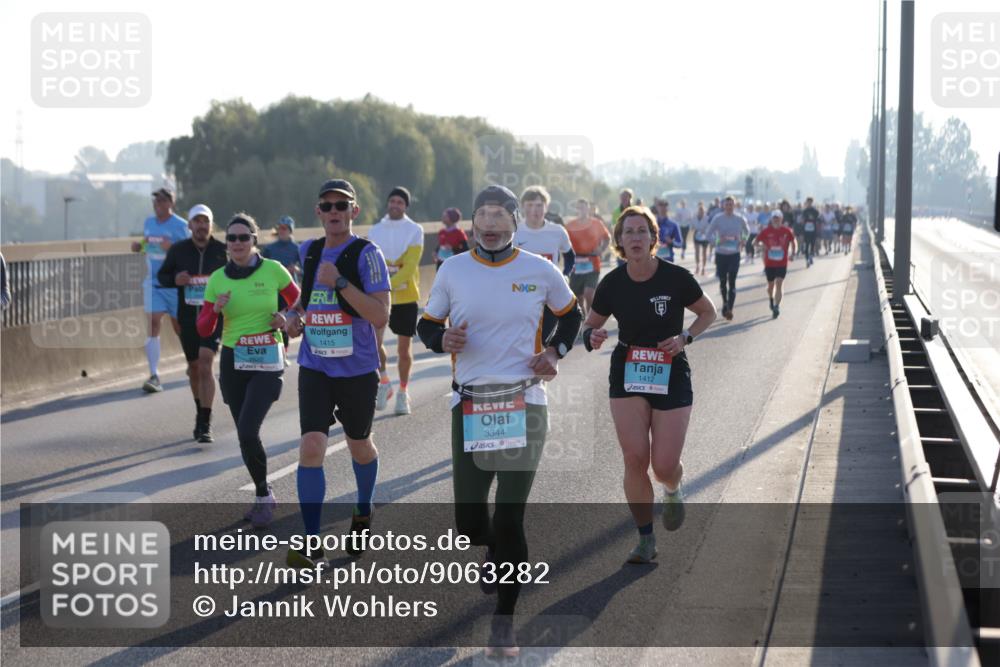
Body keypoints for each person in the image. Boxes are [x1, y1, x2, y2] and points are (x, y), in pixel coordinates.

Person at [417, 185, 582, 657]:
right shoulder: (453, 269)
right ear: (472, 223)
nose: (490, 224)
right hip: (469, 405)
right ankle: (496, 550)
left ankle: (504, 623)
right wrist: (440, 339)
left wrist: (555, 351)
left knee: (509, 516)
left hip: (524, 402)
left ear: (514, 222)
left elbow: (571, 316)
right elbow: (427, 324)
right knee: (469, 525)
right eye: (482, 215)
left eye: (499, 215)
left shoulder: (539, 269)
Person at [582, 206, 716, 564]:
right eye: (629, 232)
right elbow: (589, 325)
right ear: (620, 241)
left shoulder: (675, 277)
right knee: (634, 458)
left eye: (643, 231)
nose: (636, 238)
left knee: (664, 465)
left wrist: (685, 337)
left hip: (670, 370)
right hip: (628, 370)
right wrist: (591, 336)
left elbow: (708, 312)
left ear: (654, 238)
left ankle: (672, 489)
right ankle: (645, 539)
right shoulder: (612, 283)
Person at [283, 179, 392, 566]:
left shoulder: (367, 254)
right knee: (311, 446)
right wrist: (293, 318)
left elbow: (381, 314)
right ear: (318, 212)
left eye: (341, 206)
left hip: (357, 369)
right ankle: (312, 542)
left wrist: (341, 282)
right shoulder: (308, 250)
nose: (333, 212)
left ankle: (363, 507)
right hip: (315, 364)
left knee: (359, 444)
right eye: (326, 205)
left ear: (353, 212)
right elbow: (307, 298)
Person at [197, 213, 299, 527]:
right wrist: (215, 309)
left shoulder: (273, 270)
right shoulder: (218, 279)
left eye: (244, 237)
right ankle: (262, 492)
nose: (238, 243)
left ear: (254, 240)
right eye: (232, 238)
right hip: (233, 360)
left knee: (247, 430)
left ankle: (264, 498)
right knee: (245, 435)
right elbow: (203, 329)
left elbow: (298, 300)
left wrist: (285, 316)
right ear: (226, 244)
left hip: (268, 358)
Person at [157, 204, 228, 442]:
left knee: (206, 363)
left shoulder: (222, 250)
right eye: (197, 221)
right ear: (189, 225)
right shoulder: (178, 251)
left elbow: (236, 274)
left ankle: (205, 422)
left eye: (205, 221)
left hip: (213, 316)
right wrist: (175, 279)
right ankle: (200, 411)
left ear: (211, 224)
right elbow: (163, 276)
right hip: (188, 317)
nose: (201, 226)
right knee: (194, 367)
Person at [367, 186, 424, 415]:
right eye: (392, 201)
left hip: (406, 296)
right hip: (379, 298)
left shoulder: (415, 230)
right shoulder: (375, 230)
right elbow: (370, 262)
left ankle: (403, 392)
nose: (395, 205)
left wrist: (387, 284)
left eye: (400, 202)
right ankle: (384, 382)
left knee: (403, 348)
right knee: (373, 343)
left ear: (406, 206)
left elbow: (410, 266)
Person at [131, 188, 190, 393]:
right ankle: (154, 375)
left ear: (170, 203)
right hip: (153, 283)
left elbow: (189, 252)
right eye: (155, 201)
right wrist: (139, 246)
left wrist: (171, 247)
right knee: (153, 322)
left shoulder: (181, 226)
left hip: (174, 285)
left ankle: (192, 362)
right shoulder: (149, 223)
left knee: (179, 327)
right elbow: (148, 244)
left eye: (161, 200)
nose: (157, 204)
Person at [514, 185, 575, 344]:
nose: (535, 210)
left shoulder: (557, 231)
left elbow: (570, 256)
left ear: (546, 207)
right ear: (522, 207)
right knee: (522, 342)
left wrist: (565, 275)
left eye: (539, 205)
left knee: (541, 342)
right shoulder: (514, 232)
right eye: (530, 205)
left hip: (549, 295)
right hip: (521, 295)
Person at [262, 216, 302, 362]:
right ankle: (274, 350)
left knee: (286, 322)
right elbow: (261, 267)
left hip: (289, 292)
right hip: (273, 291)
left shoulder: (297, 248)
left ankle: (283, 353)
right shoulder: (269, 249)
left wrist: (296, 270)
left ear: (290, 230)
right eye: (280, 228)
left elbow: (304, 270)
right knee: (274, 322)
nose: (282, 231)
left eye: (285, 228)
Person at [705, 196, 749, 321]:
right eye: (727, 204)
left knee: (732, 281)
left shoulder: (740, 218)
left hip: (734, 254)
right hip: (721, 255)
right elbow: (708, 234)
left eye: (731, 204)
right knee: (723, 281)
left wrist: (743, 241)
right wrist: (718, 241)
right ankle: (725, 302)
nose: (729, 207)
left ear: (734, 206)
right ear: (723, 206)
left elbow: (747, 231)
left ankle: (730, 308)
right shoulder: (718, 219)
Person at [566, 198, 611, 318]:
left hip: (593, 262)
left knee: (589, 293)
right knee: (578, 297)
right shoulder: (570, 225)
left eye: (584, 207)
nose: (582, 210)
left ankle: (591, 318)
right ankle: (584, 319)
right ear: (576, 209)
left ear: (588, 208)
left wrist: (601, 249)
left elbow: (607, 238)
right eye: (579, 207)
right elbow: (563, 242)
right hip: (576, 265)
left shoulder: (596, 223)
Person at [754, 210, 797, 318]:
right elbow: (755, 242)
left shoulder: (787, 230)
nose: (776, 220)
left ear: (781, 219)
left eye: (778, 218)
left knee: (779, 283)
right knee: (770, 286)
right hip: (769, 263)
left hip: (782, 262)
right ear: (771, 219)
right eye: (774, 218)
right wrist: (760, 247)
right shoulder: (766, 231)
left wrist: (793, 252)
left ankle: (777, 306)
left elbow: (793, 241)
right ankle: (771, 299)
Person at [692, 202, 711, 276]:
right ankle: (697, 266)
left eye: (702, 211)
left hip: (705, 236)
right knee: (697, 251)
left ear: (704, 211)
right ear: (698, 211)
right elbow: (692, 226)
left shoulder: (707, 218)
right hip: (696, 235)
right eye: (700, 211)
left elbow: (710, 227)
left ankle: (703, 267)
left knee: (704, 253)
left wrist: (705, 231)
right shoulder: (694, 217)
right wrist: (693, 228)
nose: (701, 212)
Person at [801, 197, 821, 267]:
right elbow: (802, 220)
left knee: (812, 244)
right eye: (808, 202)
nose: (809, 203)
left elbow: (818, 218)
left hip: (813, 230)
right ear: (807, 202)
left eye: (810, 202)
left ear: (812, 202)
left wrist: (816, 222)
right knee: (806, 245)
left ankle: (811, 257)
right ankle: (807, 260)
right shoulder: (804, 211)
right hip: (806, 230)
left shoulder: (815, 211)